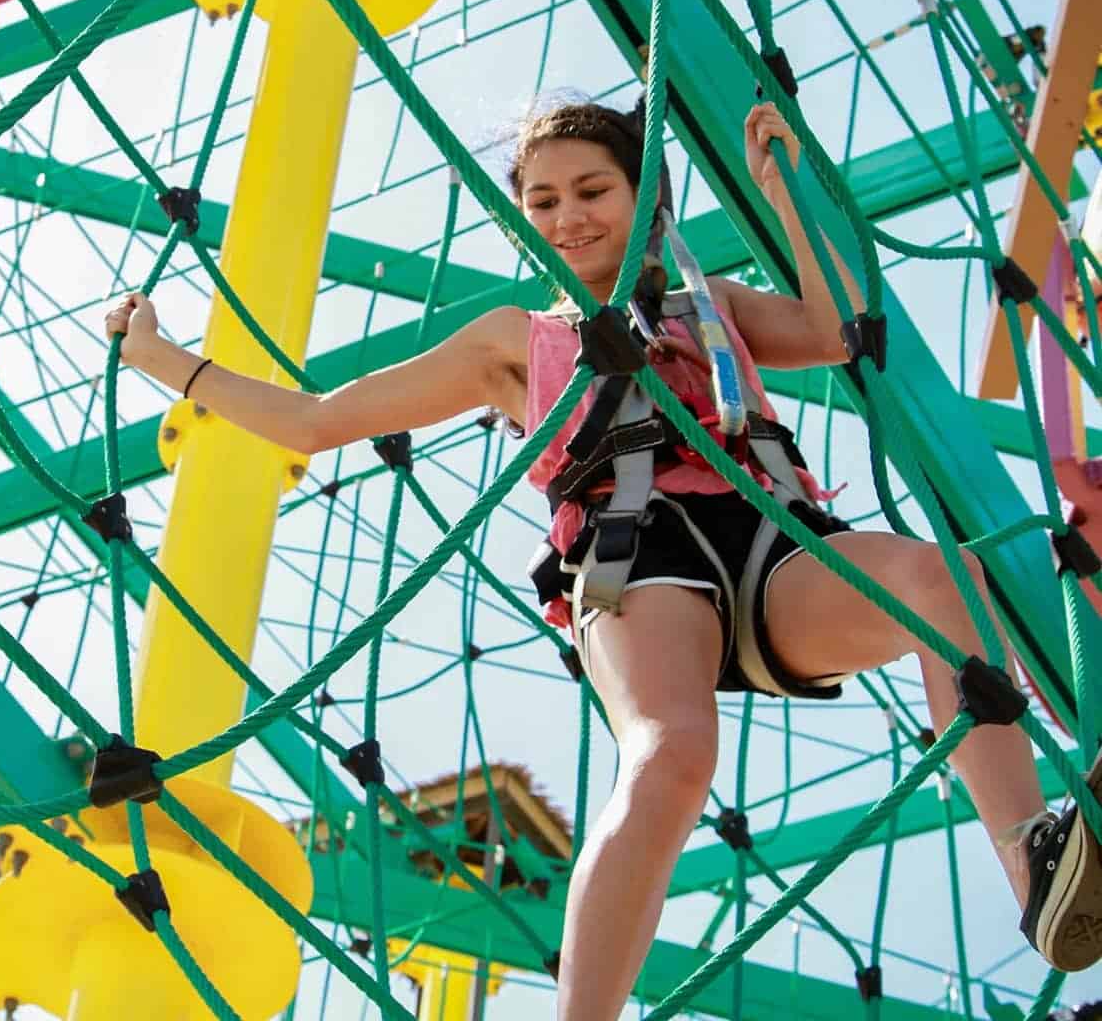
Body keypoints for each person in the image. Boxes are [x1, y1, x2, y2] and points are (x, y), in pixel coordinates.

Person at [104, 97, 1102, 1017]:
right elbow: (316, 421)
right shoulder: (516, 342)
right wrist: (163, 359)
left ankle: (1032, 862)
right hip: (639, 560)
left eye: (592, 191)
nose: (569, 216)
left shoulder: (710, 307)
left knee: (943, 581)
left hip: (774, 542)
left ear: (643, 199)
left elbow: (835, 330)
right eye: (544, 201)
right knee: (672, 754)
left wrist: (782, 195)